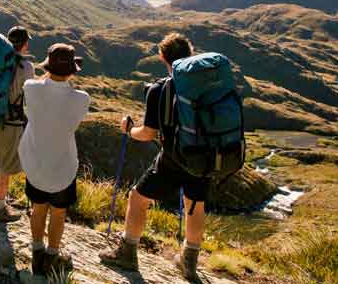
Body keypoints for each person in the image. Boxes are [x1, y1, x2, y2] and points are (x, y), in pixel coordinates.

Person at [99, 32, 207, 282]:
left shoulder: (160, 89)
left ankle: (127, 252)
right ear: (190, 54)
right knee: (195, 204)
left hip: (174, 157)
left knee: (137, 198)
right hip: (204, 156)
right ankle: (189, 263)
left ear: (162, 57)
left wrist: (128, 130)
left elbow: (148, 134)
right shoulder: (204, 86)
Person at [18, 43, 89, 276]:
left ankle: (37, 252)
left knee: (38, 209)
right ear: (72, 71)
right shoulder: (81, 99)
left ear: (47, 67)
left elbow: (34, 85)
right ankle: (51, 255)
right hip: (63, 166)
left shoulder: (31, 88)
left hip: (36, 164)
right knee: (58, 213)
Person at [0, 26, 35, 223]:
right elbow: (29, 97)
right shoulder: (26, 67)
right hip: (10, 124)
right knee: (5, 166)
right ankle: (0, 208)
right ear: (24, 44)